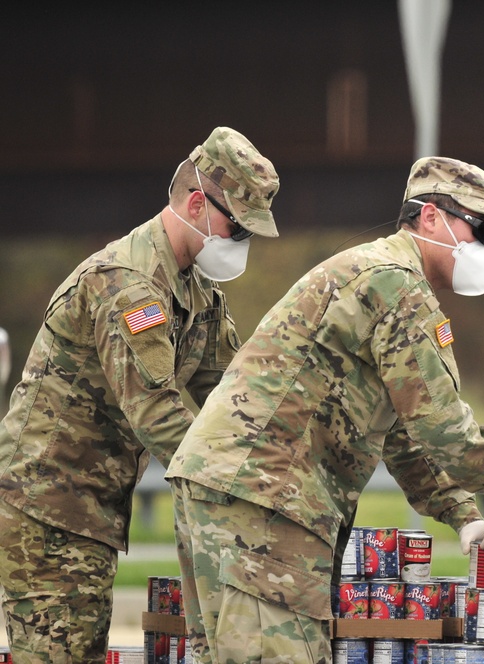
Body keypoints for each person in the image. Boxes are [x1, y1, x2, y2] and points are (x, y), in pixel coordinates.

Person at [165, 155, 484, 663]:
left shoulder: (375, 273)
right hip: (264, 501)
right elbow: (440, 421)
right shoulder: (395, 284)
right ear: (430, 217)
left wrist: (462, 514)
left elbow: (402, 432)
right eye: (481, 229)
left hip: (230, 490)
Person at [0, 126, 280, 663]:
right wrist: (238, 487)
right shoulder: (127, 282)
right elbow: (157, 413)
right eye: (237, 228)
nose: (241, 242)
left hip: (90, 509)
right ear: (198, 203)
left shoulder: (196, 289)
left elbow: (229, 394)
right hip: (49, 511)